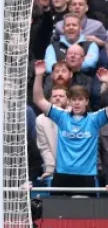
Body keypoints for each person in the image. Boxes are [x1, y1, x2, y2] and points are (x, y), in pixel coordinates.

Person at [32, 60, 108, 194]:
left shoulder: (95, 119)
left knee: (84, 215)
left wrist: (107, 82)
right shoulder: (61, 117)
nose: (77, 103)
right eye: (74, 99)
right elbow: (38, 100)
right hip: (62, 176)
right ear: (69, 101)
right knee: (56, 214)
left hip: (86, 178)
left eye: (80, 99)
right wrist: (39, 76)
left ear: (87, 101)